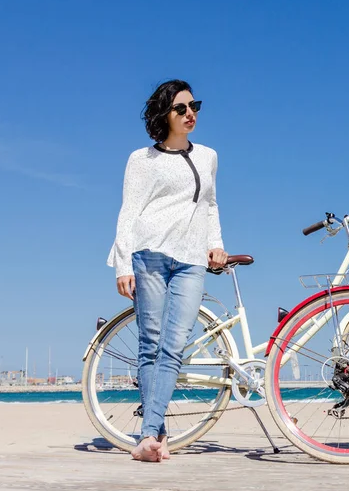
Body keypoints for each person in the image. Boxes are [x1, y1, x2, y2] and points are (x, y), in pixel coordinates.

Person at [107, 80, 228, 462]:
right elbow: (128, 213)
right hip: (149, 255)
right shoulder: (141, 160)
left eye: (195, 106)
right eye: (181, 108)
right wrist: (122, 263)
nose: (190, 113)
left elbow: (210, 205)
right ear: (164, 114)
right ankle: (152, 434)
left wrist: (216, 243)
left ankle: (148, 434)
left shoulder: (208, 155)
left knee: (173, 348)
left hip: (191, 260)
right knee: (151, 345)